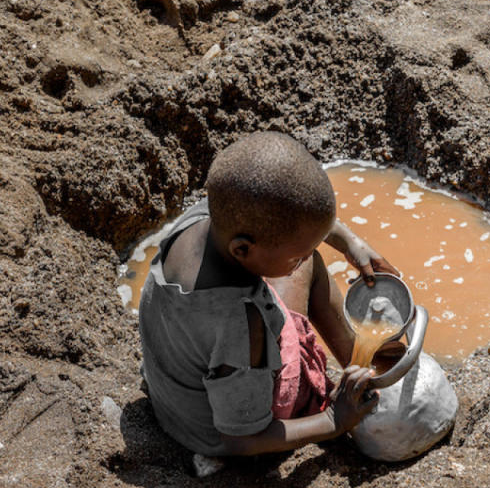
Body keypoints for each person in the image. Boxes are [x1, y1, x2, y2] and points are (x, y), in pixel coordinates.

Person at [138, 131, 399, 459]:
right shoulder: (244, 325)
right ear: (243, 249)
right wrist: (334, 419)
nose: (303, 256)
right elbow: (243, 439)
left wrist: (349, 242)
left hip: (176, 398)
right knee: (312, 267)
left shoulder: (209, 217)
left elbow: (288, 216)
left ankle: (361, 357)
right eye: (296, 253)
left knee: (305, 261)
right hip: (232, 436)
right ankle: (362, 368)